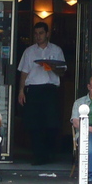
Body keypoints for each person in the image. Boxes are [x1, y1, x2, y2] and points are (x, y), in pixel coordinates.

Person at [17, 22, 65, 165]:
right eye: (36, 33)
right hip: (33, 90)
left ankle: (50, 154)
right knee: (34, 125)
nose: (38, 36)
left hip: (50, 90)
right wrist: (21, 90)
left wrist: (51, 66)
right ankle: (38, 156)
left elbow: (62, 72)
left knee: (50, 123)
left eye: (41, 33)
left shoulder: (56, 50)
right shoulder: (29, 51)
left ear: (47, 34)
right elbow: (24, 72)